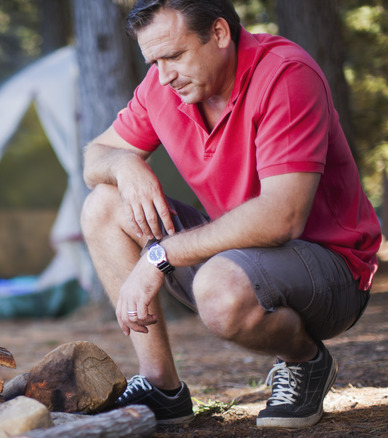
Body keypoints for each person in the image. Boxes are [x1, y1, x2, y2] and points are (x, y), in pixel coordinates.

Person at [80, 0, 380, 429]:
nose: (164, 75)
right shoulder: (163, 86)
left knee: (220, 292)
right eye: (154, 61)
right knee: (103, 205)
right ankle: (162, 388)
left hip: (330, 267)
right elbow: (96, 155)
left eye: (175, 55)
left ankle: (304, 361)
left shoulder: (286, 74)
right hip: (238, 256)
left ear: (219, 34)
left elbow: (282, 217)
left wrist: (159, 256)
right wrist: (125, 165)